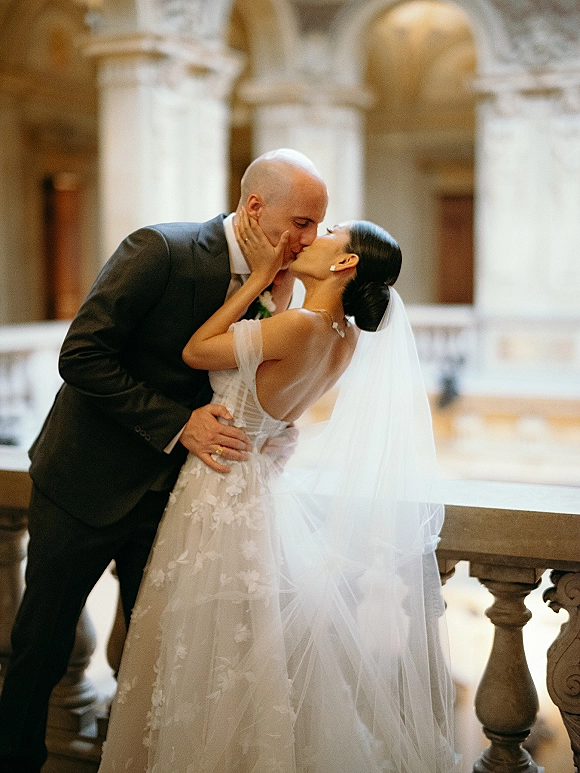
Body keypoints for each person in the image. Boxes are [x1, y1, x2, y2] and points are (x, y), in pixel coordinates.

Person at [0, 149, 328, 773]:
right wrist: (177, 423)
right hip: (84, 484)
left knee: (157, 658)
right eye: (303, 223)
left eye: (317, 226)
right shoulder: (161, 249)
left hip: (177, 499)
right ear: (255, 207)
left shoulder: (282, 288)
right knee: (39, 649)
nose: (308, 239)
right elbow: (82, 355)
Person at [97, 212, 458, 772]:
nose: (314, 236)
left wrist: (256, 279)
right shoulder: (343, 337)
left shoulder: (300, 325)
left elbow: (197, 352)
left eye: (329, 230)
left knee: (211, 646)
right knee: (246, 647)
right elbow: (277, 408)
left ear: (345, 262)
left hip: (220, 484)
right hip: (256, 478)